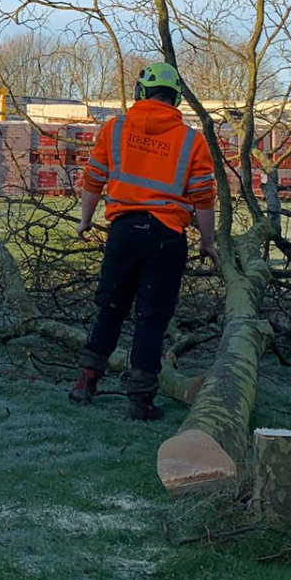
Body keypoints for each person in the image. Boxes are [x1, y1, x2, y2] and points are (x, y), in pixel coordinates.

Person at [69, 61, 217, 420]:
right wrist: (207, 242)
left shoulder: (115, 128)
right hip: (167, 237)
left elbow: (93, 180)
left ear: (141, 92)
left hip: (124, 231)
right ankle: (140, 400)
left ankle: (86, 382)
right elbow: (203, 197)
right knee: (152, 318)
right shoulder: (191, 141)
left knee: (111, 308)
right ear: (176, 98)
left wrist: (85, 221)